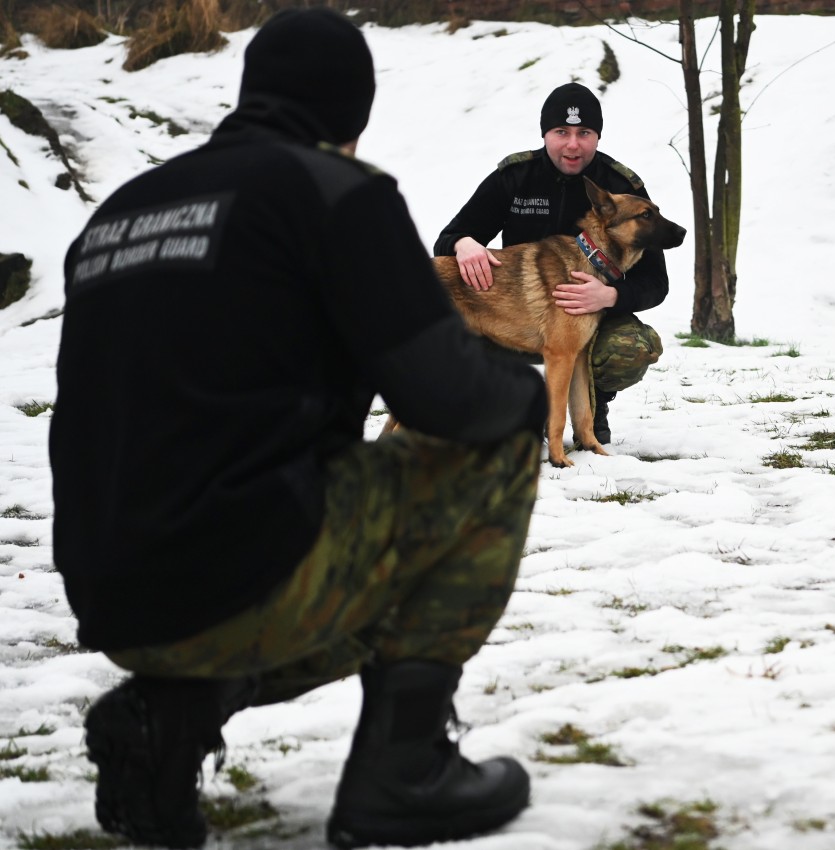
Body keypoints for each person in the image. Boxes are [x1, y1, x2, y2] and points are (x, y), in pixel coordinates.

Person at [49, 9, 546, 849]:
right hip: (245, 579)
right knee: (496, 438)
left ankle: (171, 717)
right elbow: (450, 398)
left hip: (112, 598)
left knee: (297, 516)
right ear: (353, 110)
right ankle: (405, 769)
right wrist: (527, 396)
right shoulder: (334, 192)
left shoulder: (122, 212)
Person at [434, 82, 669, 446]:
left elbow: (656, 282)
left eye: (584, 133)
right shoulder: (515, 176)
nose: (572, 144)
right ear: (545, 134)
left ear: (598, 136)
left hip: (594, 321)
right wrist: (463, 243)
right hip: (515, 316)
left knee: (632, 346)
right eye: (561, 132)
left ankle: (593, 405)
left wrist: (610, 296)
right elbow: (450, 239)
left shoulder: (622, 190)